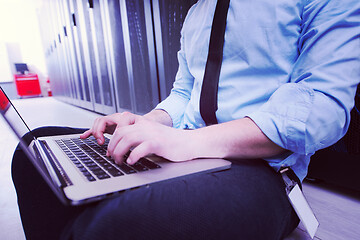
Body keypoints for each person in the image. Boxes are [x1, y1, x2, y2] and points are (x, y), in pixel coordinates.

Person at [12, 0, 360, 239]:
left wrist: (187, 143)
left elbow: (322, 108)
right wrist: (141, 123)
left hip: (263, 169)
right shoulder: (198, 11)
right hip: (185, 147)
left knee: (117, 224)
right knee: (36, 150)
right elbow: (183, 95)